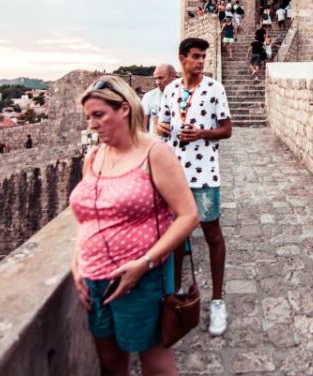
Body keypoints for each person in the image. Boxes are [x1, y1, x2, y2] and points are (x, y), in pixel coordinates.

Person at [70, 75, 199, 375]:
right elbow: (89, 216)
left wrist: (144, 262)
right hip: (94, 279)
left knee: (155, 364)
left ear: (125, 109)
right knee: (111, 364)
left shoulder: (154, 153)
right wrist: (77, 262)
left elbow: (188, 215)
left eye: (99, 115)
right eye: (89, 117)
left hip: (142, 279)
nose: (92, 124)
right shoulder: (93, 156)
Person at [157, 38, 233, 336]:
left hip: (204, 175)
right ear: (182, 59)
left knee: (213, 235)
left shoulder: (214, 89)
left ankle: (217, 301)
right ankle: (175, 294)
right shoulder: (171, 91)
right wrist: (160, 129)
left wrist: (202, 132)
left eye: (203, 57)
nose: (200, 61)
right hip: (175, 176)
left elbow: (227, 129)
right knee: (176, 239)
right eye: (195, 57)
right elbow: (160, 127)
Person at [142, 64, 178, 136]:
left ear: (173, 77)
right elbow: (143, 128)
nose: (157, 82)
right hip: (156, 143)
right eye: (156, 78)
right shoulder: (148, 96)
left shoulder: (184, 96)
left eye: (161, 78)